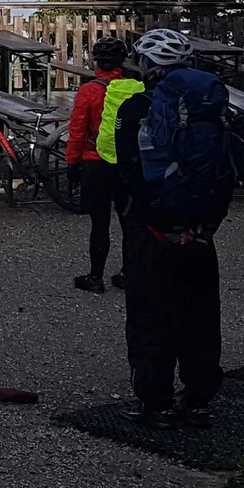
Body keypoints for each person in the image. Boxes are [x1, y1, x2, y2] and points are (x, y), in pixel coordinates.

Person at [112, 28, 236, 429]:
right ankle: (198, 399)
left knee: (150, 314)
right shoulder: (212, 107)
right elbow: (227, 169)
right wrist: (207, 223)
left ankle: (157, 402)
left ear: (148, 65)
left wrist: (148, 220)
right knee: (199, 314)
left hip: (153, 231)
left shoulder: (135, 107)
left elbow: (128, 173)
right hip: (201, 230)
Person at [63, 35, 141, 294]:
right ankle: (129, 275)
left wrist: (71, 163)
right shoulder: (133, 88)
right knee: (130, 223)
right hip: (127, 163)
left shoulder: (89, 91)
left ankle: (95, 277)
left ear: (96, 61)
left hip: (95, 162)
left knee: (100, 223)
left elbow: (77, 131)